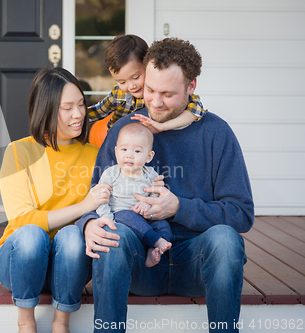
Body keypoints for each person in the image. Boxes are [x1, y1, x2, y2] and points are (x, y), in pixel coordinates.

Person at [76, 38, 254, 333]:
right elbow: (97, 195)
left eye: (168, 94)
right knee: (112, 232)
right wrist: (89, 223)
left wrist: (179, 208)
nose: (155, 102)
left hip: (195, 262)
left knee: (225, 239)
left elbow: (241, 213)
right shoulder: (125, 129)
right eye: (150, 90)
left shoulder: (217, 133)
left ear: (191, 86)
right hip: (136, 260)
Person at [0, 67, 111, 333]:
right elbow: (21, 220)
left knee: (71, 236)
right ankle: (26, 322)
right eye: (67, 108)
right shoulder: (19, 151)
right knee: (32, 234)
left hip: (69, 266)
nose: (79, 114)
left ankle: (61, 323)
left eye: (81, 104)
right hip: (20, 262)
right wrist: (83, 207)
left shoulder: (96, 156)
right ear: (45, 110)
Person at [88, 34, 207, 131]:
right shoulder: (117, 94)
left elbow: (196, 109)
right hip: (120, 143)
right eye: (122, 82)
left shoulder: (158, 94)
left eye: (136, 77)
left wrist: (164, 126)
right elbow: (98, 111)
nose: (131, 86)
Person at [96, 122, 171, 268]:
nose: (129, 155)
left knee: (164, 225)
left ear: (149, 156)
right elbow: (101, 199)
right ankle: (157, 241)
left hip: (147, 216)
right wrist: (107, 219)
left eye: (137, 151)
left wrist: (148, 204)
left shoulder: (151, 175)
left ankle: (153, 250)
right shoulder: (111, 174)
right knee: (128, 216)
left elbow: (157, 194)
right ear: (116, 151)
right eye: (124, 149)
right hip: (122, 216)